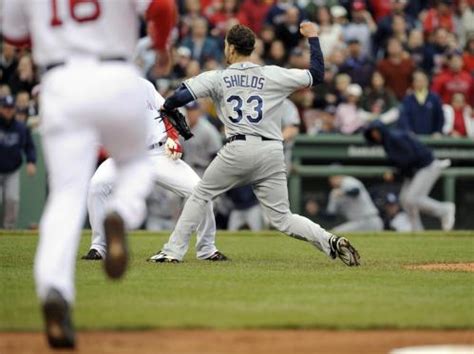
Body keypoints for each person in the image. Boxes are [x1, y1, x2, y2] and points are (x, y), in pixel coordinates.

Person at [2, 0, 176, 348]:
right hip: (116, 74)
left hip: (60, 80)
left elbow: (13, 33)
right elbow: (162, 7)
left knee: (66, 196)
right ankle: (120, 212)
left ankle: (55, 291)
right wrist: (159, 46)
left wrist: (56, 35)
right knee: (136, 164)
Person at [148, 23, 360, 266]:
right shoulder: (274, 74)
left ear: (231, 48)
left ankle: (172, 252)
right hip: (271, 150)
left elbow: (179, 97)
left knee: (200, 195)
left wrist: (167, 107)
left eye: (227, 45)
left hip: (238, 148)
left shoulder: (219, 77)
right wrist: (313, 37)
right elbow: (317, 74)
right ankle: (330, 240)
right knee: (283, 219)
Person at [83, 79, 225, 263]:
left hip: (158, 153)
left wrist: (173, 137)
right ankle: (100, 247)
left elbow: (167, 110)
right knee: (97, 185)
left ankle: (207, 249)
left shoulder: (142, 85)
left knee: (199, 191)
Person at [364, 121, 456, 232]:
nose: (374, 135)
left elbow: (409, 158)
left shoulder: (394, 138)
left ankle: (445, 210)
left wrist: (396, 174)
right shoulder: (388, 142)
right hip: (415, 171)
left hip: (427, 166)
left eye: (376, 132)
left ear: (381, 130)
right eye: (372, 133)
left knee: (412, 199)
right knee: (405, 200)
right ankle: (416, 230)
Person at [0, 95, 36, 228]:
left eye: (10, 108)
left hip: (12, 170)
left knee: (12, 199)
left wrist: (31, 161)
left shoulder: (20, 128)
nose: (8, 110)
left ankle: (9, 229)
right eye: (5, 107)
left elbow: (29, 146)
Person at [398, 71, 445, 135]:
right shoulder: (408, 99)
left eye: (422, 80)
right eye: (417, 81)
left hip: (432, 137)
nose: (420, 83)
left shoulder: (435, 98)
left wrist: (437, 131)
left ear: (427, 82)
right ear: (413, 83)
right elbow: (404, 118)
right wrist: (408, 131)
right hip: (412, 138)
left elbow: (440, 117)